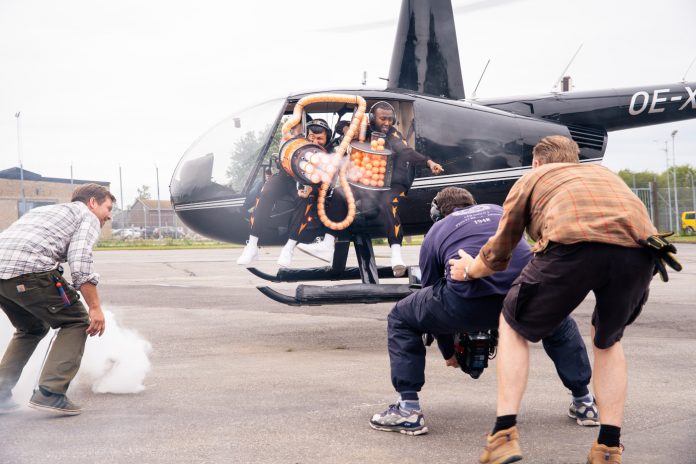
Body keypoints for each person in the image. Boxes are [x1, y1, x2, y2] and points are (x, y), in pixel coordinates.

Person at [449, 135, 662, 464]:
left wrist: (470, 269)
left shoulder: (533, 177)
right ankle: (608, 446)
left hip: (572, 245)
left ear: (536, 162)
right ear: (575, 160)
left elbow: (500, 250)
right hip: (641, 252)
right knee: (608, 340)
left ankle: (503, 434)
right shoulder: (606, 174)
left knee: (513, 323)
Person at [369, 186, 596, 436]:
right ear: (473, 203)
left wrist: (448, 351)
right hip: (524, 296)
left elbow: (432, 289)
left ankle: (408, 410)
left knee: (401, 317)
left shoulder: (436, 230)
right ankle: (584, 402)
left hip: (466, 302)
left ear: (437, 212)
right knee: (560, 323)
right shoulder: (497, 211)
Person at [0, 183, 111, 416]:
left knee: (31, 327)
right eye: (107, 208)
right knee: (77, 321)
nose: (109, 216)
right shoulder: (86, 216)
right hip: (29, 271)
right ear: (92, 203)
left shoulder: (44, 212)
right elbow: (80, 261)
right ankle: (50, 392)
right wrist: (95, 307)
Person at [299, 102, 445, 275]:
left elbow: (406, 152)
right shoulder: (363, 127)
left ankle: (396, 255)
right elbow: (340, 125)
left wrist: (428, 162)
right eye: (383, 118)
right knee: (339, 195)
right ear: (372, 118)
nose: (387, 123)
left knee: (387, 204)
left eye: (390, 119)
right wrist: (348, 130)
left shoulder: (392, 135)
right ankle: (327, 244)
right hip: (366, 180)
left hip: (392, 182)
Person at [236, 118, 332, 267]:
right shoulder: (297, 142)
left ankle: (289, 248)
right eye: (312, 137)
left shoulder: (328, 154)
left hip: (309, 182)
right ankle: (252, 245)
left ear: (327, 140)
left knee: (305, 199)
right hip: (285, 176)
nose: (315, 141)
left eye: (320, 138)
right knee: (266, 191)